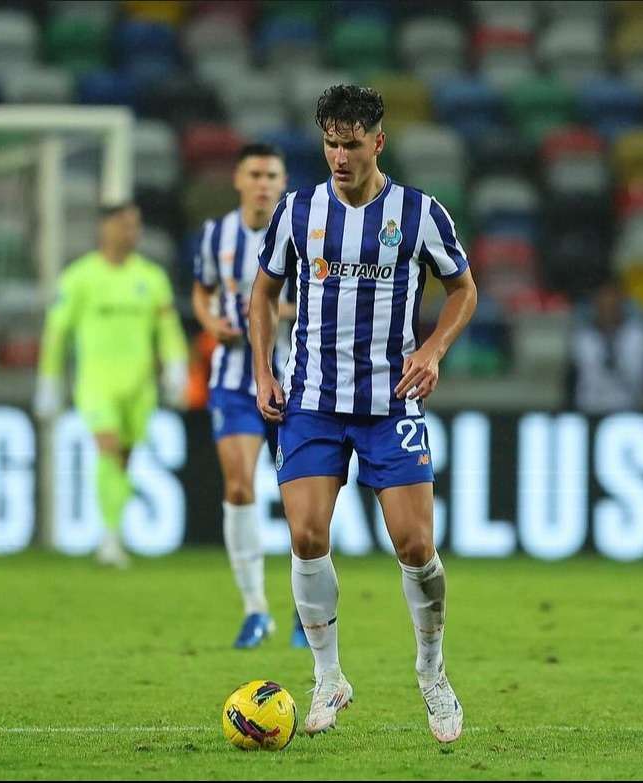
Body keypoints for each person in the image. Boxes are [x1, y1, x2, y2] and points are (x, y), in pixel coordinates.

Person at [247, 85, 478, 743]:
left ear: (378, 142)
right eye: (330, 144)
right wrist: (263, 369)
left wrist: (432, 350)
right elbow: (262, 293)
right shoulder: (298, 211)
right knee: (306, 535)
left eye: (351, 144)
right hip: (312, 401)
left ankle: (431, 672)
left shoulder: (419, 213)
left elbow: (463, 289)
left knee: (415, 545)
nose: (340, 157)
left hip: (389, 402)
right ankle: (328, 677)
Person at [191, 142, 307, 650]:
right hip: (233, 381)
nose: (263, 183)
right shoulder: (215, 235)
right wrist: (210, 321)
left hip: (296, 381)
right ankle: (256, 609)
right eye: (255, 174)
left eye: (271, 175)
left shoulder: (304, 232)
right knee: (239, 487)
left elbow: (322, 300)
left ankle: (308, 610)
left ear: (283, 183)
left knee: (303, 501)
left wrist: (269, 312)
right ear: (239, 180)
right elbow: (203, 288)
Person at [34, 202, 189, 568]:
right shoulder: (79, 277)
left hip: (139, 387)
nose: (133, 233)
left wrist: (176, 368)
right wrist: (49, 380)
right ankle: (109, 536)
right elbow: (57, 333)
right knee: (108, 447)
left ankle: (112, 531)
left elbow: (167, 329)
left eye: (136, 225)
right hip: (96, 384)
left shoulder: (151, 277)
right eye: (125, 225)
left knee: (122, 459)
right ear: (105, 229)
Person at [566, 278, 643, 413]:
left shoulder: (637, 335)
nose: (608, 310)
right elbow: (572, 378)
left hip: (630, 407)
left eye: (612, 305)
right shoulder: (582, 337)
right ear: (595, 305)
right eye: (603, 305)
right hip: (589, 408)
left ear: (621, 304)